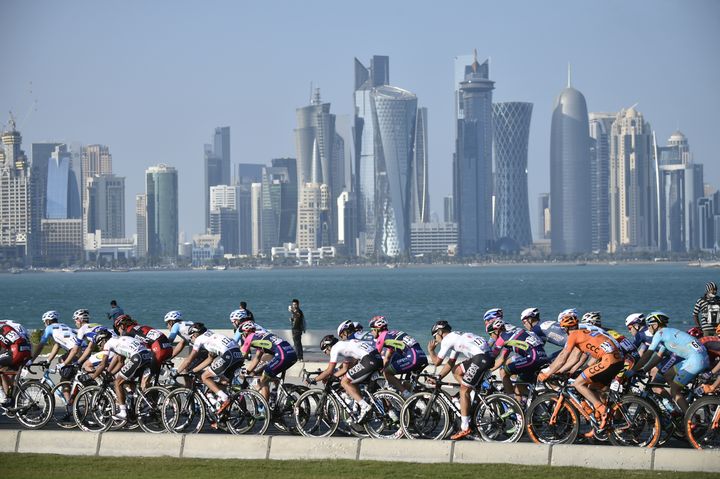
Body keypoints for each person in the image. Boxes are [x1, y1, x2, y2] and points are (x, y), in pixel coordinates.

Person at [538, 309, 625, 430]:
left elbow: (563, 357)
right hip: (619, 361)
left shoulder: (573, 335)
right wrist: (563, 372)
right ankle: (599, 425)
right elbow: (575, 359)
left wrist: (548, 373)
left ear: (565, 329)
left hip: (608, 360)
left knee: (578, 384)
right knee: (593, 388)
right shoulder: (584, 333)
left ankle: (602, 410)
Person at [427, 320, 493, 440]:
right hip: (485, 356)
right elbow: (451, 363)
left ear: (440, 332)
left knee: (463, 390)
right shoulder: (456, 337)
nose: (435, 339)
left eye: (435, 336)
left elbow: (437, 362)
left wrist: (431, 350)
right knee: (457, 371)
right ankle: (469, 395)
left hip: (480, 358)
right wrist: (439, 377)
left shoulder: (447, 340)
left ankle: (465, 427)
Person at [632, 312, 710, 413]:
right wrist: (643, 370)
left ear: (655, 325)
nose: (649, 328)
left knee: (674, 390)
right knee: (668, 375)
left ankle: (690, 419)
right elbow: (658, 357)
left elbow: (648, 354)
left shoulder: (659, 334)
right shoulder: (669, 333)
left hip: (695, 361)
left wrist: (633, 370)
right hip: (699, 358)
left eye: (649, 325)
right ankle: (680, 398)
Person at [311, 329, 383, 423]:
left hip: (368, 359)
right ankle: (361, 409)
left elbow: (329, 370)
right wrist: (331, 377)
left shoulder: (335, 349)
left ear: (328, 347)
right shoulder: (345, 345)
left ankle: (364, 406)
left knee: (344, 382)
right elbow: (344, 369)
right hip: (377, 358)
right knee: (353, 381)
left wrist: (314, 379)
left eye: (325, 351)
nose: (326, 354)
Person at [175, 323, 244, 417]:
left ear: (195, 334)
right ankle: (224, 411)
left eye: (191, 337)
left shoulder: (199, 339)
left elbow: (189, 360)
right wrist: (193, 371)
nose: (191, 340)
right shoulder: (211, 335)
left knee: (205, 376)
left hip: (229, 355)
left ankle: (224, 398)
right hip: (238, 355)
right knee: (222, 382)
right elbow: (210, 359)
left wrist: (177, 372)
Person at [91, 329, 152, 421]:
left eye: (100, 345)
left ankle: (123, 412)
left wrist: (93, 377)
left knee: (117, 382)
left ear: (103, 340)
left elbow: (102, 364)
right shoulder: (118, 341)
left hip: (137, 357)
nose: (100, 348)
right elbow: (121, 362)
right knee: (128, 380)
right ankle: (143, 404)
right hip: (147, 355)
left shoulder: (108, 344)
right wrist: (109, 374)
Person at [487, 317, 548, 401]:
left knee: (503, 372)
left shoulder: (503, 337)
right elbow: (501, 359)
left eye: (490, 334)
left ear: (496, 331)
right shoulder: (513, 334)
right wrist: (489, 370)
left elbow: (492, 355)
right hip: (543, 357)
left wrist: (483, 368)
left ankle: (511, 403)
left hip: (533, 358)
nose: (491, 337)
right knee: (519, 386)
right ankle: (522, 412)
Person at [368, 315, 428, 398]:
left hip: (413, 358)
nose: (371, 333)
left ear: (377, 329)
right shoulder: (393, 334)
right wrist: (384, 367)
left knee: (387, 373)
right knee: (407, 385)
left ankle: (405, 394)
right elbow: (387, 357)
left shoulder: (382, 337)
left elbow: (374, 354)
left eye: (371, 330)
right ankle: (416, 403)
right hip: (422, 356)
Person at [238, 321, 297, 402]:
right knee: (269, 377)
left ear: (245, 332)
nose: (242, 337)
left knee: (263, 380)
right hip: (291, 353)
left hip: (283, 355)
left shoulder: (250, 337)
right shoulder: (261, 337)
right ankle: (276, 398)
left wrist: (234, 366)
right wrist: (247, 371)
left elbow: (242, 355)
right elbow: (257, 358)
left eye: (242, 334)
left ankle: (265, 409)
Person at [0, 320, 32, 406]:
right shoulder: (10, 324)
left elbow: (4, 347)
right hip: (27, 350)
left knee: (3, 370)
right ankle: (11, 400)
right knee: (5, 373)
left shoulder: (2, 328)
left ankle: (3, 396)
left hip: (17, 351)